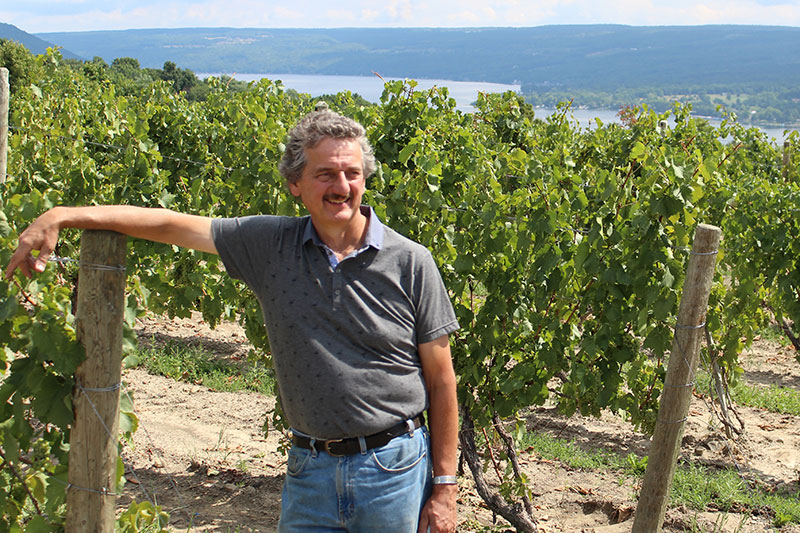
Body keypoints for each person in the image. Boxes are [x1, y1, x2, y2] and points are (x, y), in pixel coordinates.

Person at [5, 109, 460, 532]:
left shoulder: (410, 262)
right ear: (295, 184)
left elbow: (441, 382)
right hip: (308, 468)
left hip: (393, 468)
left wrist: (444, 488)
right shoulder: (269, 245)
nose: (341, 186)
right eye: (325, 174)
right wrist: (63, 215)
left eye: (352, 173)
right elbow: (170, 225)